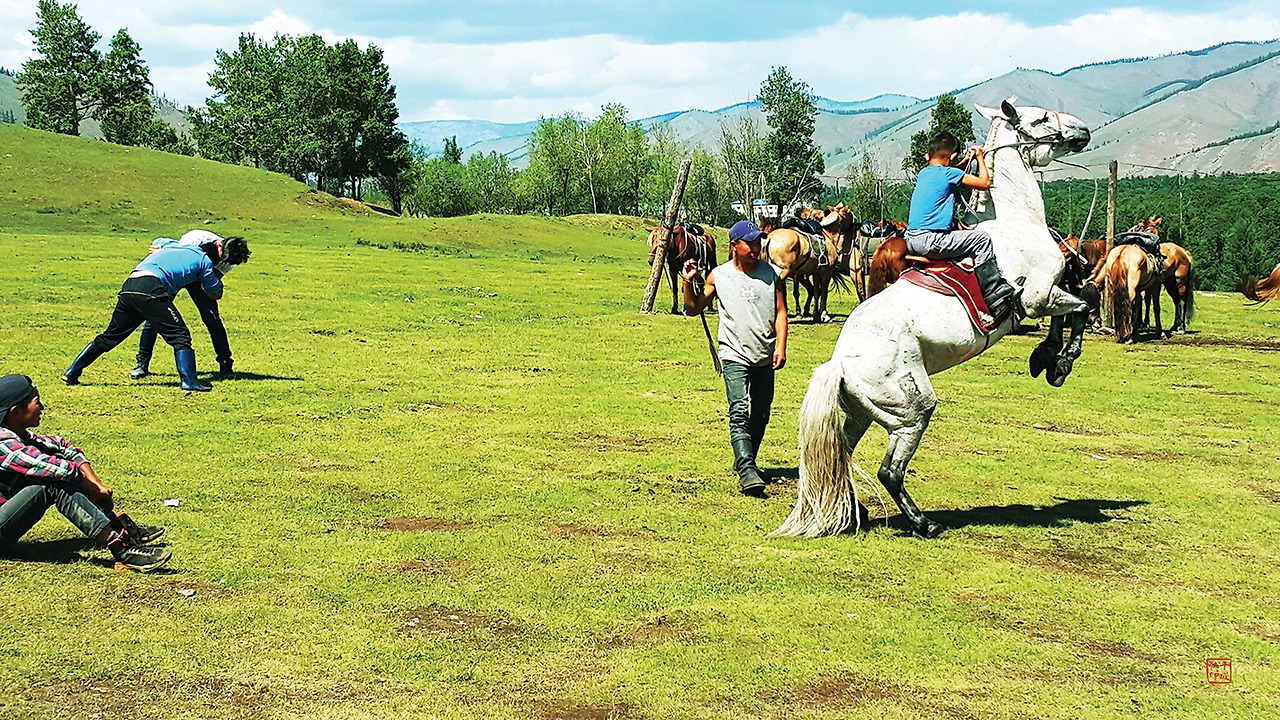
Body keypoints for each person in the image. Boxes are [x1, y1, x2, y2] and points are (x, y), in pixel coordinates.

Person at [0, 374, 170, 572]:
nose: (43, 408)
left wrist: (96, 484)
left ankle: (118, 528)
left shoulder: (18, 434)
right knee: (52, 484)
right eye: (37, 402)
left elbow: (64, 447)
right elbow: (56, 469)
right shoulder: (3, 442)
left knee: (62, 474)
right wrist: (90, 486)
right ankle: (122, 548)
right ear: (16, 411)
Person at [62, 233, 249, 392]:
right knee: (180, 336)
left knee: (110, 336)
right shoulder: (204, 262)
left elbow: (159, 241)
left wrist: (159, 248)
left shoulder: (176, 245)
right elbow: (214, 293)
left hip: (131, 285)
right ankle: (189, 381)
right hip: (153, 289)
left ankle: (72, 371)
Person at [681, 220, 788, 498]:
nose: (756, 248)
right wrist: (688, 281)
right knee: (739, 409)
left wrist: (781, 346)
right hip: (733, 354)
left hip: (764, 355)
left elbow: (780, 312)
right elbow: (693, 309)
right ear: (734, 246)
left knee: (762, 413)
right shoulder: (719, 276)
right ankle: (747, 470)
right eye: (749, 243)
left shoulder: (772, 274)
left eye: (757, 243)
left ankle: (745, 459)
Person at [905, 131, 1014, 306]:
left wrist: (965, 161)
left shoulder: (924, 173)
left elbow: (952, 172)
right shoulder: (949, 174)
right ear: (953, 156)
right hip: (932, 240)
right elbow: (984, 183)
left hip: (911, 239)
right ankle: (991, 293)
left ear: (928, 155)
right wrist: (979, 158)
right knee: (982, 239)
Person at [131, 231, 251, 381]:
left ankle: (225, 363)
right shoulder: (195, 238)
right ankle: (142, 362)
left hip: (202, 278)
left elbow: (214, 283)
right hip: (180, 274)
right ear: (220, 244)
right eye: (223, 257)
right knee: (155, 317)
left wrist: (214, 292)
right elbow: (176, 257)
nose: (224, 261)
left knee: (213, 320)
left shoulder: (229, 259)